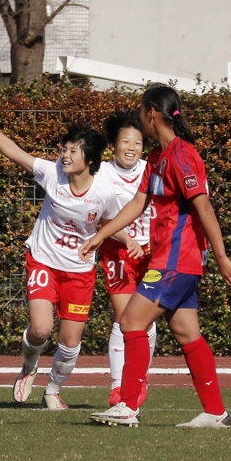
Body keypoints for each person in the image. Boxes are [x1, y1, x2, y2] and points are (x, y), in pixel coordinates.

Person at [79, 83, 231, 428]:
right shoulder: (157, 157)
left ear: (152, 114)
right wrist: (102, 235)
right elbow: (139, 204)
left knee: (131, 322)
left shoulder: (183, 155)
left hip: (175, 260)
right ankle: (216, 413)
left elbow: (203, 207)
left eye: (141, 111)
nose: (139, 118)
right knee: (186, 333)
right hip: (171, 260)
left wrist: (222, 256)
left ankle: (126, 406)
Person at [0, 103, 132, 410]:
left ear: (89, 159)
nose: (65, 156)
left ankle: (52, 390)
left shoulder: (105, 192)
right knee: (40, 329)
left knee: (70, 342)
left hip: (79, 271)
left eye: (74, 151)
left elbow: (110, 222)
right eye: (65, 149)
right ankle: (29, 367)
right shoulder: (52, 173)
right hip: (43, 261)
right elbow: (14, 152)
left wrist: (127, 238)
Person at [98, 109, 156, 407]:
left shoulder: (153, 170)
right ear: (113, 145)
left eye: (137, 142)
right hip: (117, 251)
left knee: (145, 320)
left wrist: (150, 243)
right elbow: (98, 220)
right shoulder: (102, 174)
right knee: (124, 321)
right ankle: (118, 385)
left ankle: (139, 377)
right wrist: (126, 238)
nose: (131, 148)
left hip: (152, 253)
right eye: (125, 142)